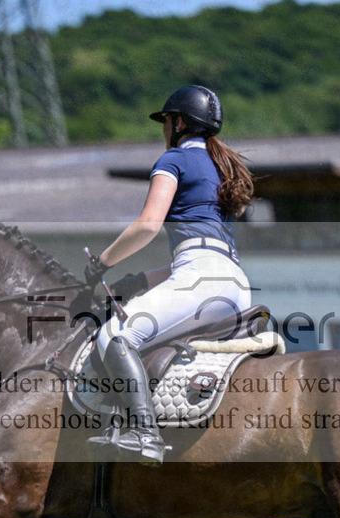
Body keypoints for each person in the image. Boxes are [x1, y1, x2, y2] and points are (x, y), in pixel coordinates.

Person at [84, 85, 255, 465]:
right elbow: (201, 257)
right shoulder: (221, 167)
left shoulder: (173, 160)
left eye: (165, 122)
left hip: (202, 282)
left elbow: (147, 226)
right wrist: (141, 281)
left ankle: (144, 434)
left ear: (178, 123)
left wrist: (103, 263)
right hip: (236, 286)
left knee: (114, 336)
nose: (163, 130)